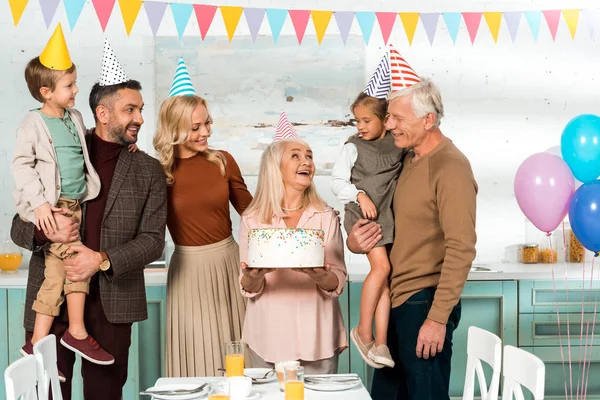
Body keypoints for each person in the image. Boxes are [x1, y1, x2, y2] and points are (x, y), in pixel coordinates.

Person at [11, 40, 167, 399]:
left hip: (112, 303)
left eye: (141, 109)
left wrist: (101, 259)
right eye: (131, 109)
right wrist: (46, 229)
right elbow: (18, 226)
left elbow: (152, 240)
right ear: (103, 113)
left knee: (105, 395)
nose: (140, 118)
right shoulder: (56, 149)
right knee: (45, 392)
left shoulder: (148, 170)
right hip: (50, 303)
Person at [346, 78, 477, 400]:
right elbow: (383, 224)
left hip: (424, 304)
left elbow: (461, 247)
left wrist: (436, 319)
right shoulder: (405, 160)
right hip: (396, 301)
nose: (389, 125)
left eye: (397, 118)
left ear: (428, 120)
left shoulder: (450, 167)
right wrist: (355, 242)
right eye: (388, 116)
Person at [12, 25, 113, 374]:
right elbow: (22, 164)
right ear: (46, 91)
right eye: (69, 86)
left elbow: (80, 146)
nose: (76, 90)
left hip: (76, 204)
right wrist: (40, 205)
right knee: (70, 267)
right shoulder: (33, 123)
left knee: (64, 270)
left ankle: (41, 343)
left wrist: (121, 143)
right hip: (54, 208)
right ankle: (74, 332)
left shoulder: (74, 116)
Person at [153, 91, 253, 377]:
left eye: (207, 124)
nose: (205, 132)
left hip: (230, 264)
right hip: (189, 271)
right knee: (199, 354)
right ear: (174, 129)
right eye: (195, 127)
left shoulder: (223, 161)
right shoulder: (159, 172)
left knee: (239, 352)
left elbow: (252, 213)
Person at [239, 122, 348, 374]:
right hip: (268, 335)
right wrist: (252, 278)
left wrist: (321, 276)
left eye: (309, 156)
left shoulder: (326, 216)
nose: (307, 162)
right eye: (296, 156)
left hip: (318, 336)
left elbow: (338, 279)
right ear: (275, 167)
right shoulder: (253, 219)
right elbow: (248, 286)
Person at [331, 92, 404, 369]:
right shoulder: (353, 146)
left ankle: (381, 342)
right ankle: (363, 331)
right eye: (356, 120)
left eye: (366, 120)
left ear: (385, 121)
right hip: (362, 216)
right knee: (382, 268)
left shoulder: (396, 145)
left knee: (386, 278)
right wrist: (360, 195)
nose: (359, 126)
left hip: (386, 216)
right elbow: (337, 182)